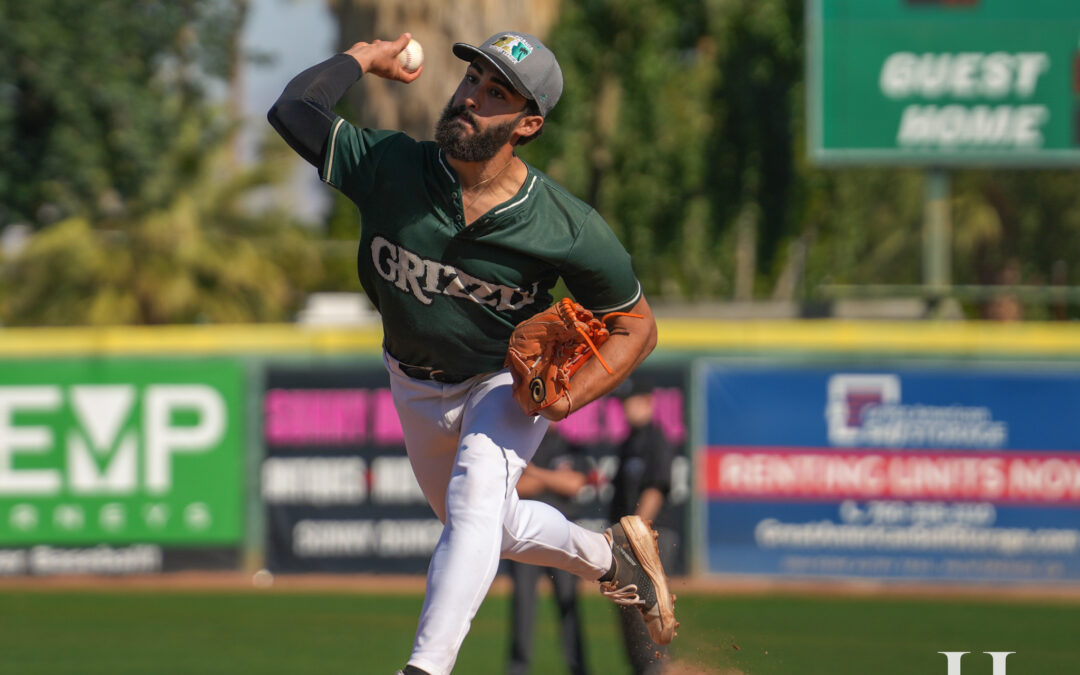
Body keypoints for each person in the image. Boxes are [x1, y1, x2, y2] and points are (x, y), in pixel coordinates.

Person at [268, 31, 675, 675]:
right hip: (412, 380)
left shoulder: (564, 226)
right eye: (471, 81)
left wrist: (570, 394)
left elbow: (638, 326)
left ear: (528, 123)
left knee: (475, 499)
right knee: (485, 524)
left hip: (499, 383)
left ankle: (425, 667)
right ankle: (609, 557)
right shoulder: (394, 167)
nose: (470, 99)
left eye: (496, 93)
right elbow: (293, 110)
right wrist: (361, 59)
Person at [507, 431, 591, 675]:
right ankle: (517, 669)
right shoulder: (522, 442)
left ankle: (579, 669)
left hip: (563, 540)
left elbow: (574, 484)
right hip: (524, 539)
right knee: (523, 605)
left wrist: (535, 473)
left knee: (568, 605)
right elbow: (517, 487)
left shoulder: (569, 445)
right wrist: (555, 480)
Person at [609, 377, 677, 675]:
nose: (626, 408)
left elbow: (656, 488)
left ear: (648, 402)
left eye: (632, 401)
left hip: (651, 539)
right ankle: (643, 669)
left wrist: (638, 535)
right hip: (628, 542)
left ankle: (655, 669)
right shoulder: (628, 442)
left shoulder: (656, 439)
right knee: (628, 610)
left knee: (648, 611)